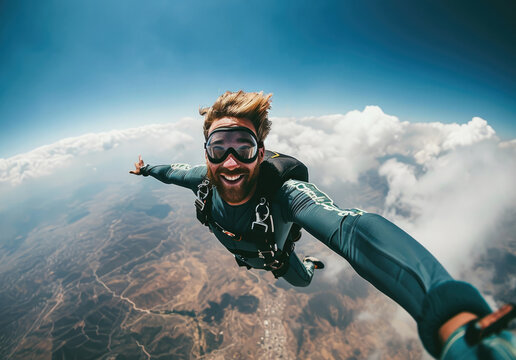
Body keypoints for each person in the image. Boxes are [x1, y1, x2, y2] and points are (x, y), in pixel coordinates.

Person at [130, 91, 515, 359]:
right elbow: (170, 171)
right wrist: (146, 169)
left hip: (275, 257)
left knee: (301, 279)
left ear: (260, 153)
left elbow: (351, 229)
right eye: (219, 147)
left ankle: (309, 263)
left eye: (243, 147)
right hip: (247, 250)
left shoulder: (286, 193)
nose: (230, 161)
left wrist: (450, 314)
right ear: (207, 153)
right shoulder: (200, 177)